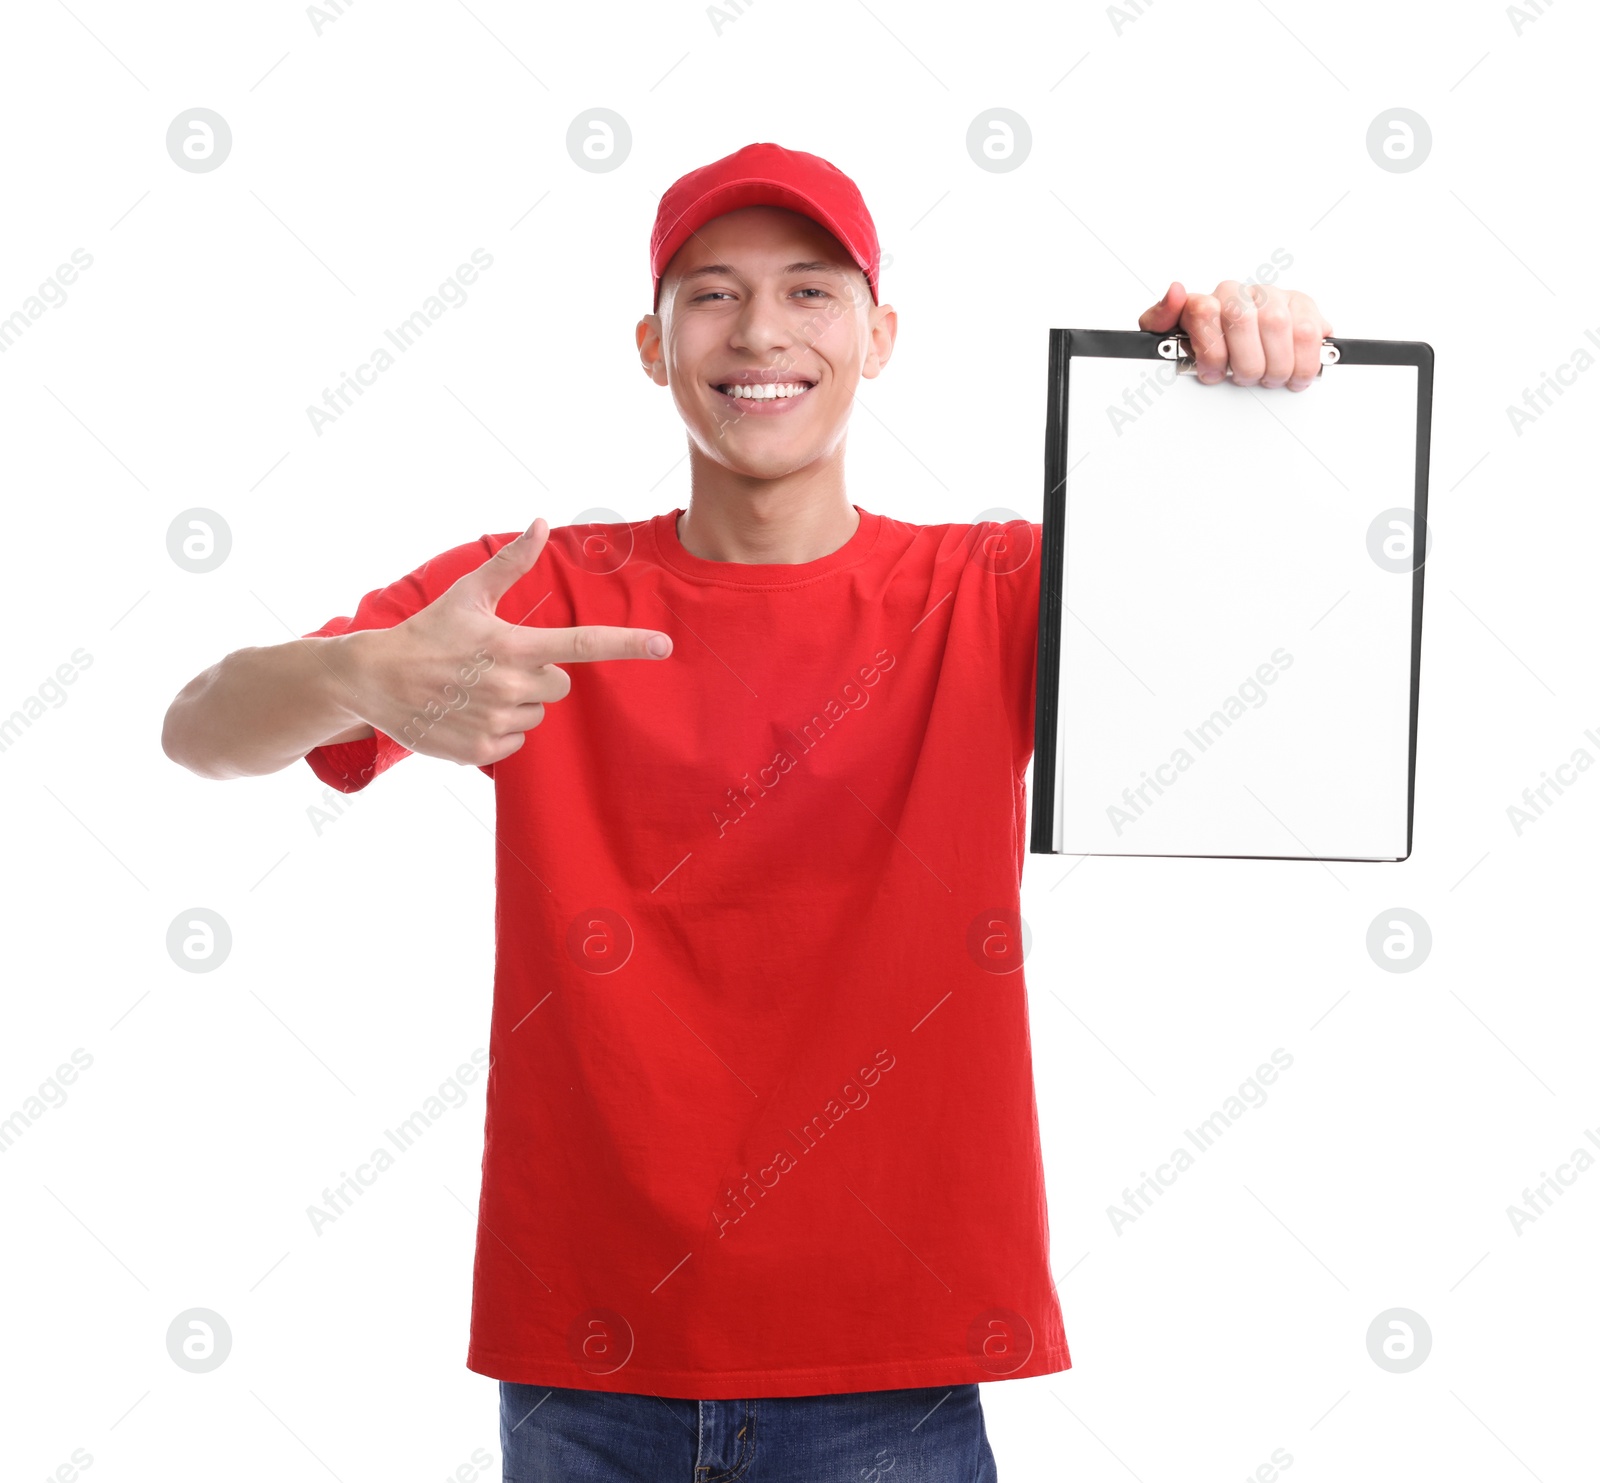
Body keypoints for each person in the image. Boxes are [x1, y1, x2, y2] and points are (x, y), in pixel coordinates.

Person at [162, 141, 1331, 1482]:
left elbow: (1277, 640)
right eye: (711, 295)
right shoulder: (533, 600)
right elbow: (197, 729)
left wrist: (1240, 388)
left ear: (881, 336)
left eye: (811, 292)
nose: (761, 331)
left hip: (888, 1374)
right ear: (653, 349)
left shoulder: (995, 593)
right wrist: (353, 674)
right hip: (587, 1375)